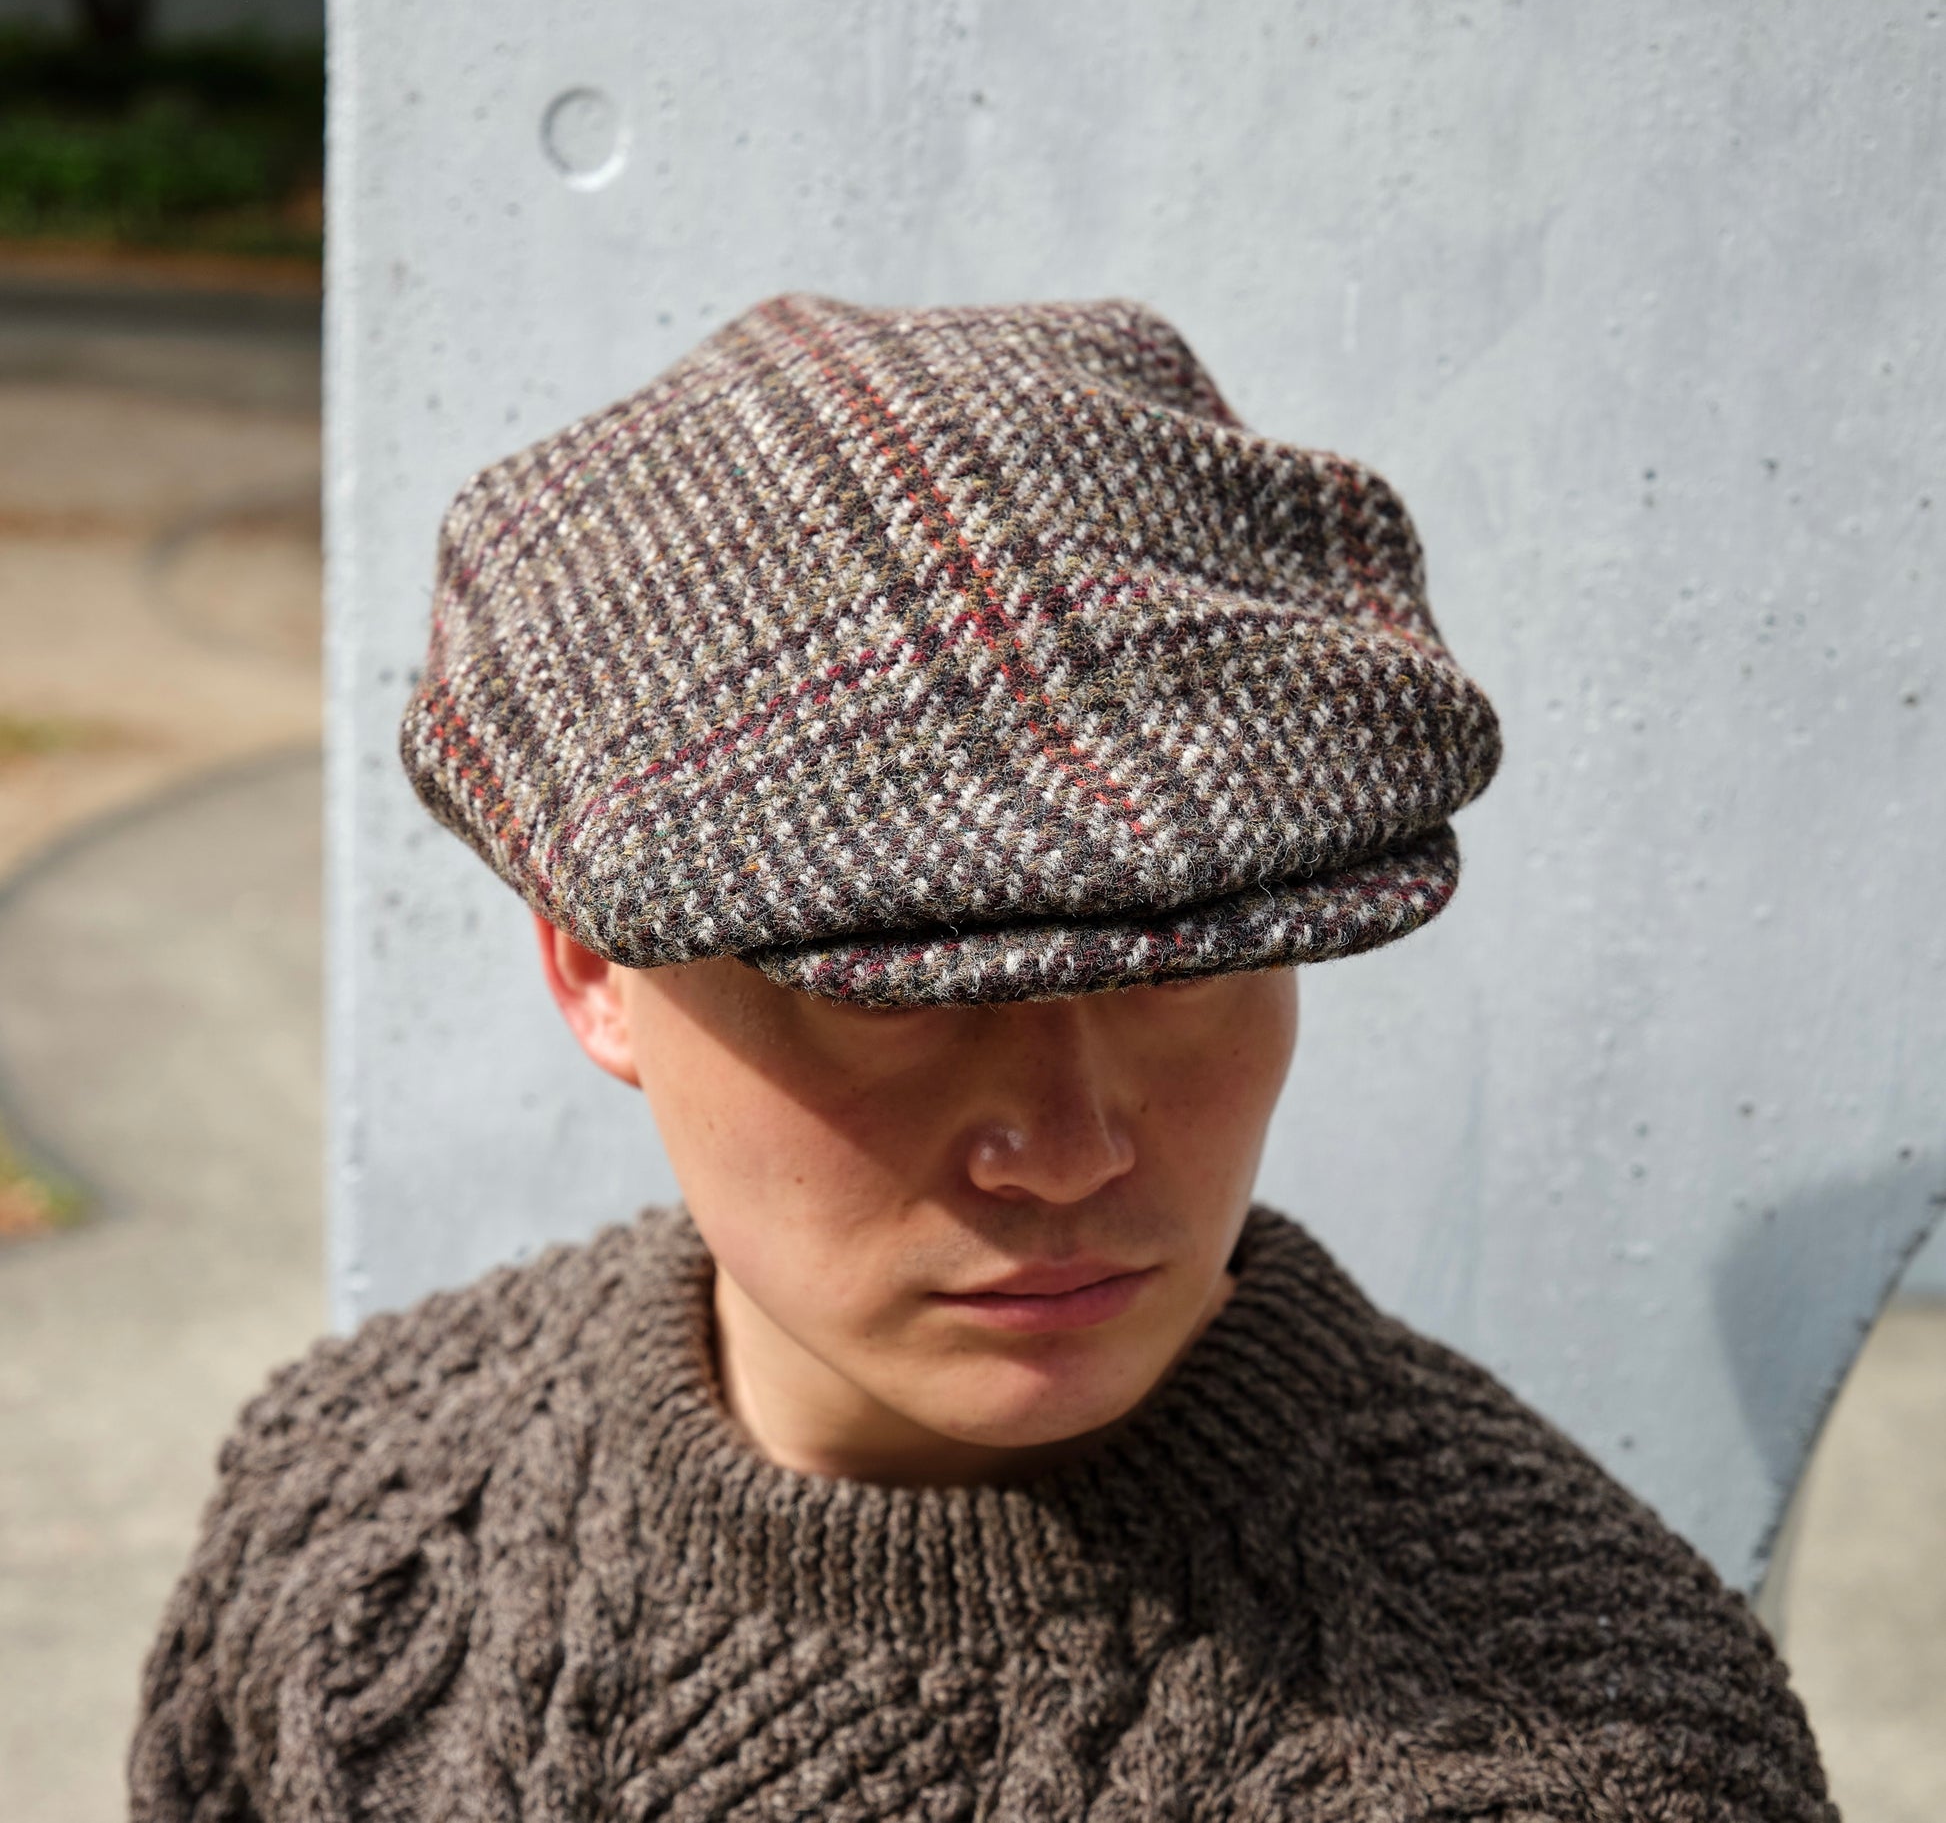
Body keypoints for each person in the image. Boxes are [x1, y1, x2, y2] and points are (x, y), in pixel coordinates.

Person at [130, 295, 1834, 1820]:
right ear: (595, 973)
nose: (1072, 1141)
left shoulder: (1592, 1745)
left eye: (1187, 962)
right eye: (894, 994)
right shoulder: (348, 1526)